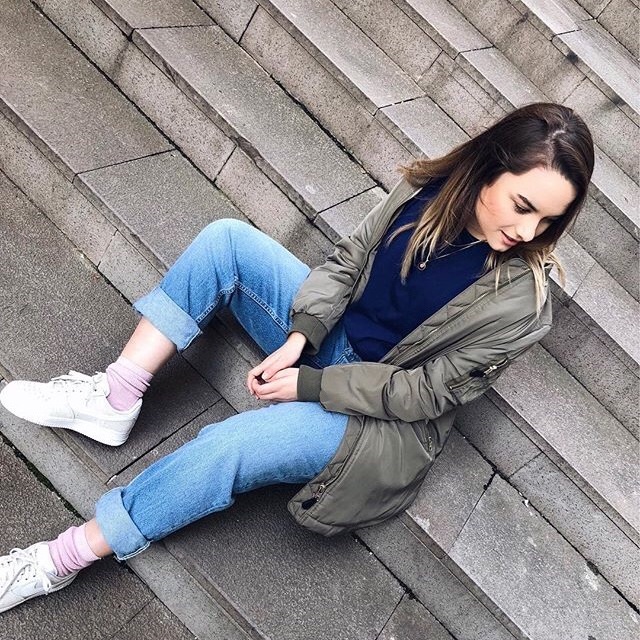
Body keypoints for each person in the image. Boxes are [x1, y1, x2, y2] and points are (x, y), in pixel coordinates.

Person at [0, 102, 594, 613]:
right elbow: (348, 261)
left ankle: (62, 558)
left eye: (548, 219)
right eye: (522, 205)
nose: (529, 230)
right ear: (488, 165)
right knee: (227, 240)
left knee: (232, 444)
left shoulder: (522, 304)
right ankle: (116, 396)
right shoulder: (426, 190)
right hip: (332, 341)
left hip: (380, 421)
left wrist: (309, 385)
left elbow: (426, 394)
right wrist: (300, 338)